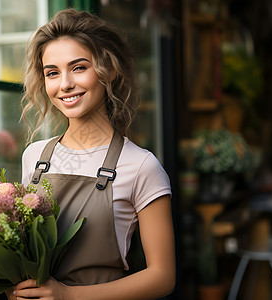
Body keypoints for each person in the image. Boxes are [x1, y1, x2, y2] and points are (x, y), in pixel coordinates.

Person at [9, 8, 175, 300]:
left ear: (108, 69)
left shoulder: (140, 166)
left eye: (79, 67)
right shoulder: (34, 157)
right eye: (52, 73)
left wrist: (68, 296)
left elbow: (162, 277)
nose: (65, 85)